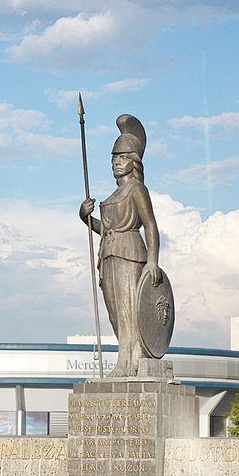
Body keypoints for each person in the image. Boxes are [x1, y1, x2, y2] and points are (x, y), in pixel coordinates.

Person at [79, 114, 162, 377]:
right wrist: (85, 217)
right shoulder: (113, 195)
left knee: (128, 310)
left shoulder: (137, 190)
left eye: (123, 157)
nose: (117, 162)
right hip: (108, 254)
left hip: (130, 252)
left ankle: (129, 361)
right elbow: (106, 230)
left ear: (134, 161)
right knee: (115, 313)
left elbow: (149, 225)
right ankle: (125, 358)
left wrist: (153, 261)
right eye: (114, 158)